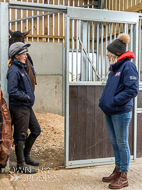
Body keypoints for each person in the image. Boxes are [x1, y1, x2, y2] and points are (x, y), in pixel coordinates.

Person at [99, 33, 139, 189]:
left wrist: (114, 101)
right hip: (110, 111)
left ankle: (124, 176)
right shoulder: (115, 67)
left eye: (109, 51)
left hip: (120, 111)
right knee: (115, 143)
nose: (107, 54)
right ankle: (117, 170)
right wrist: (106, 101)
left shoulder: (128, 66)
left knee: (122, 143)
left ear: (117, 53)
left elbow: (132, 90)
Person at [7, 42, 41, 174]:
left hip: (27, 106)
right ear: (16, 56)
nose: (26, 56)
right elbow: (12, 90)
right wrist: (26, 97)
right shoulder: (14, 70)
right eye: (24, 54)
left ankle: (26, 157)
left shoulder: (22, 68)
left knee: (36, 130)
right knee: (20, 136)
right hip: (20, 106)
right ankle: (21, 165)